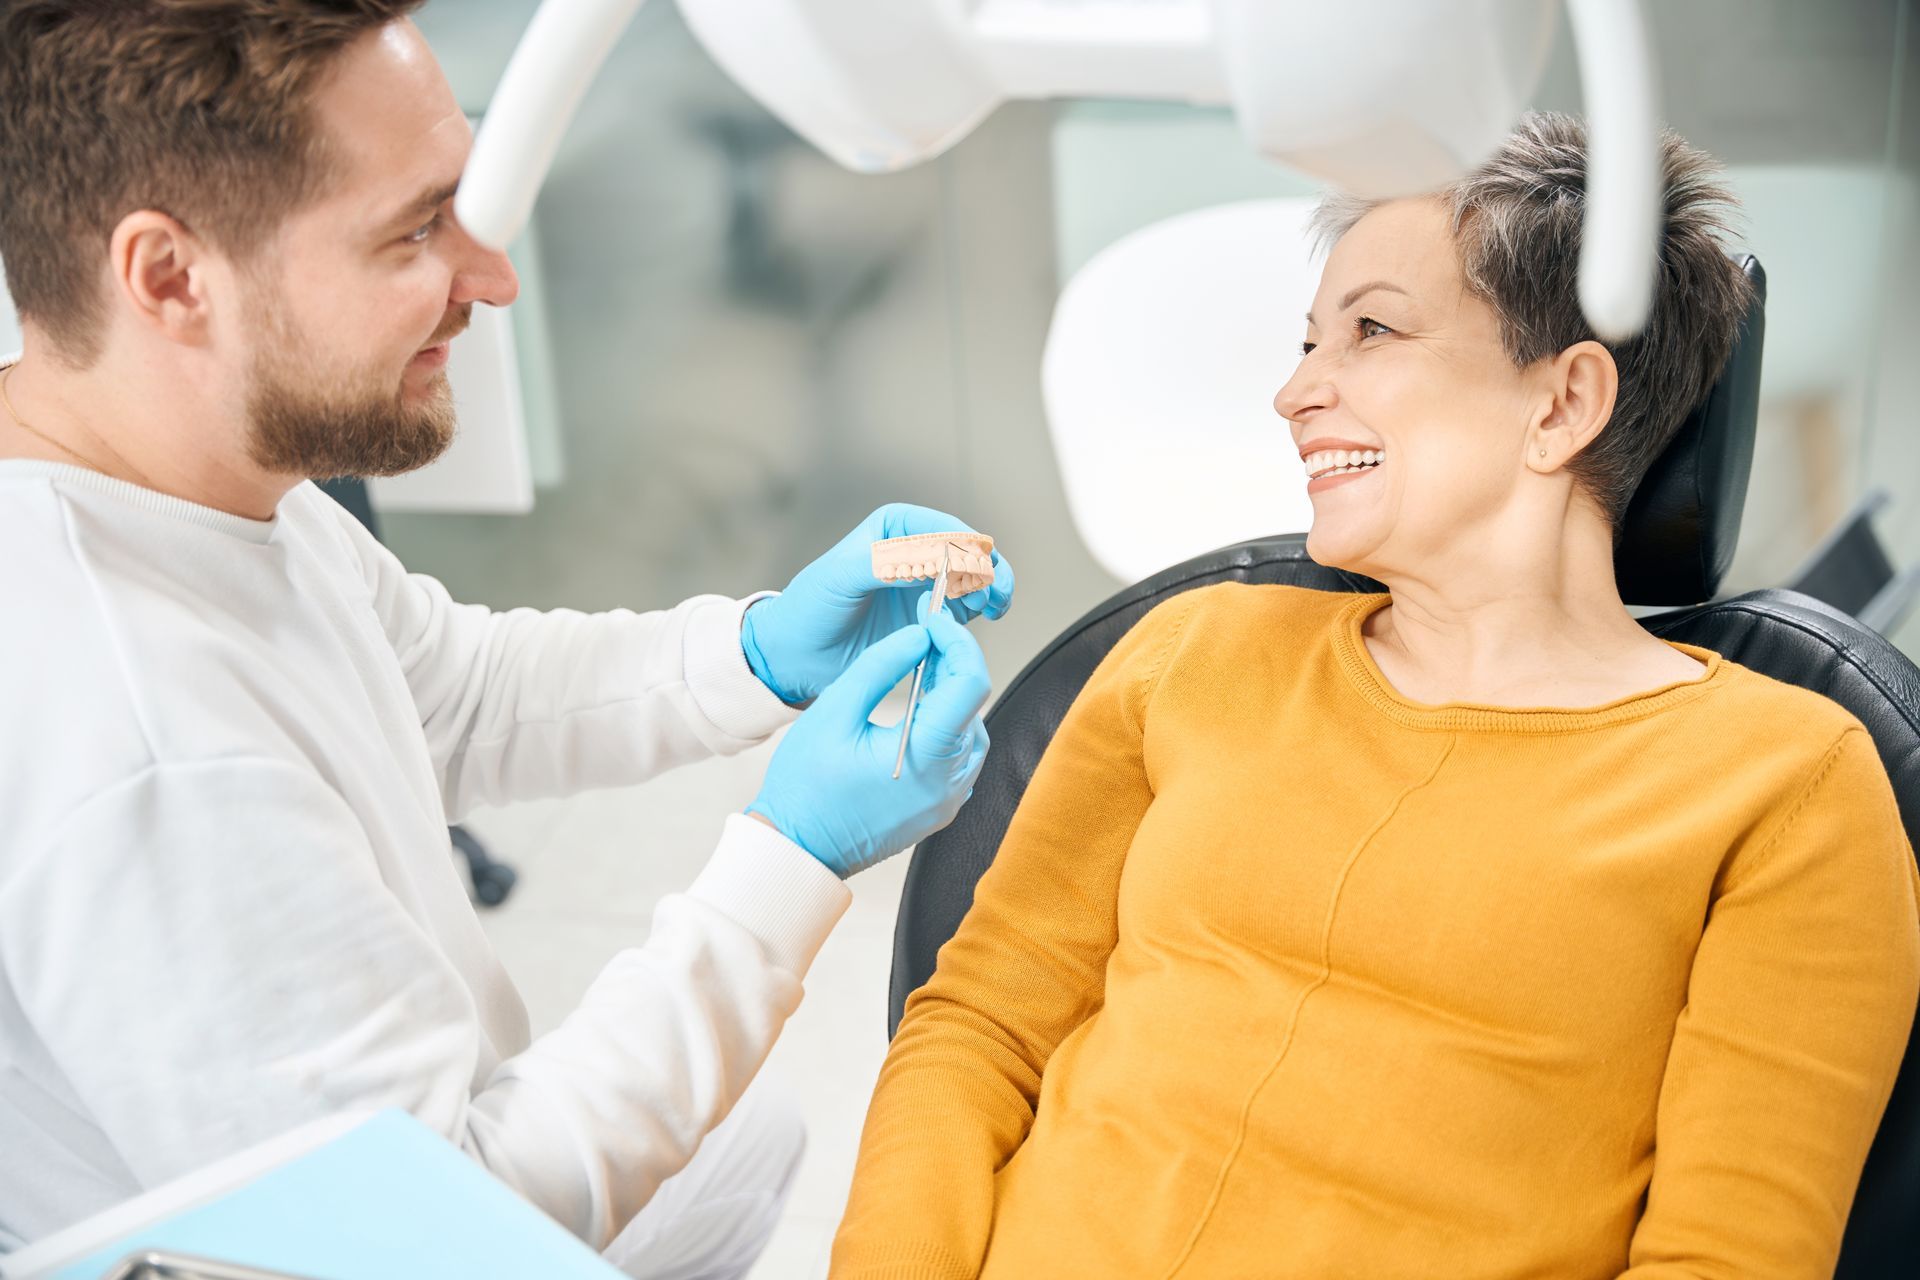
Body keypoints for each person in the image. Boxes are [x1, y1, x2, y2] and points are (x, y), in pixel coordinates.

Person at [0, 4, 1012, 1275]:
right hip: (386, 1247)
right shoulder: (142, 745)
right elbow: (442, 1235)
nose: (491, 278)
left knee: (744, 1135)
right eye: (415, 228)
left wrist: (753, 655)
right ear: (169, 278)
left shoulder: (184, 478)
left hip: (388, 1183)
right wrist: (793, 854)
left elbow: (446, 692)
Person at [829, 113, 1920, 1279]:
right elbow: (977, 1032)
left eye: (1371, 331)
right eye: (1309, 341)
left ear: (1561, 404)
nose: (1295, 391)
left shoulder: (1786, 787)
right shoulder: (1193, 650)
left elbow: (1724, 1258)